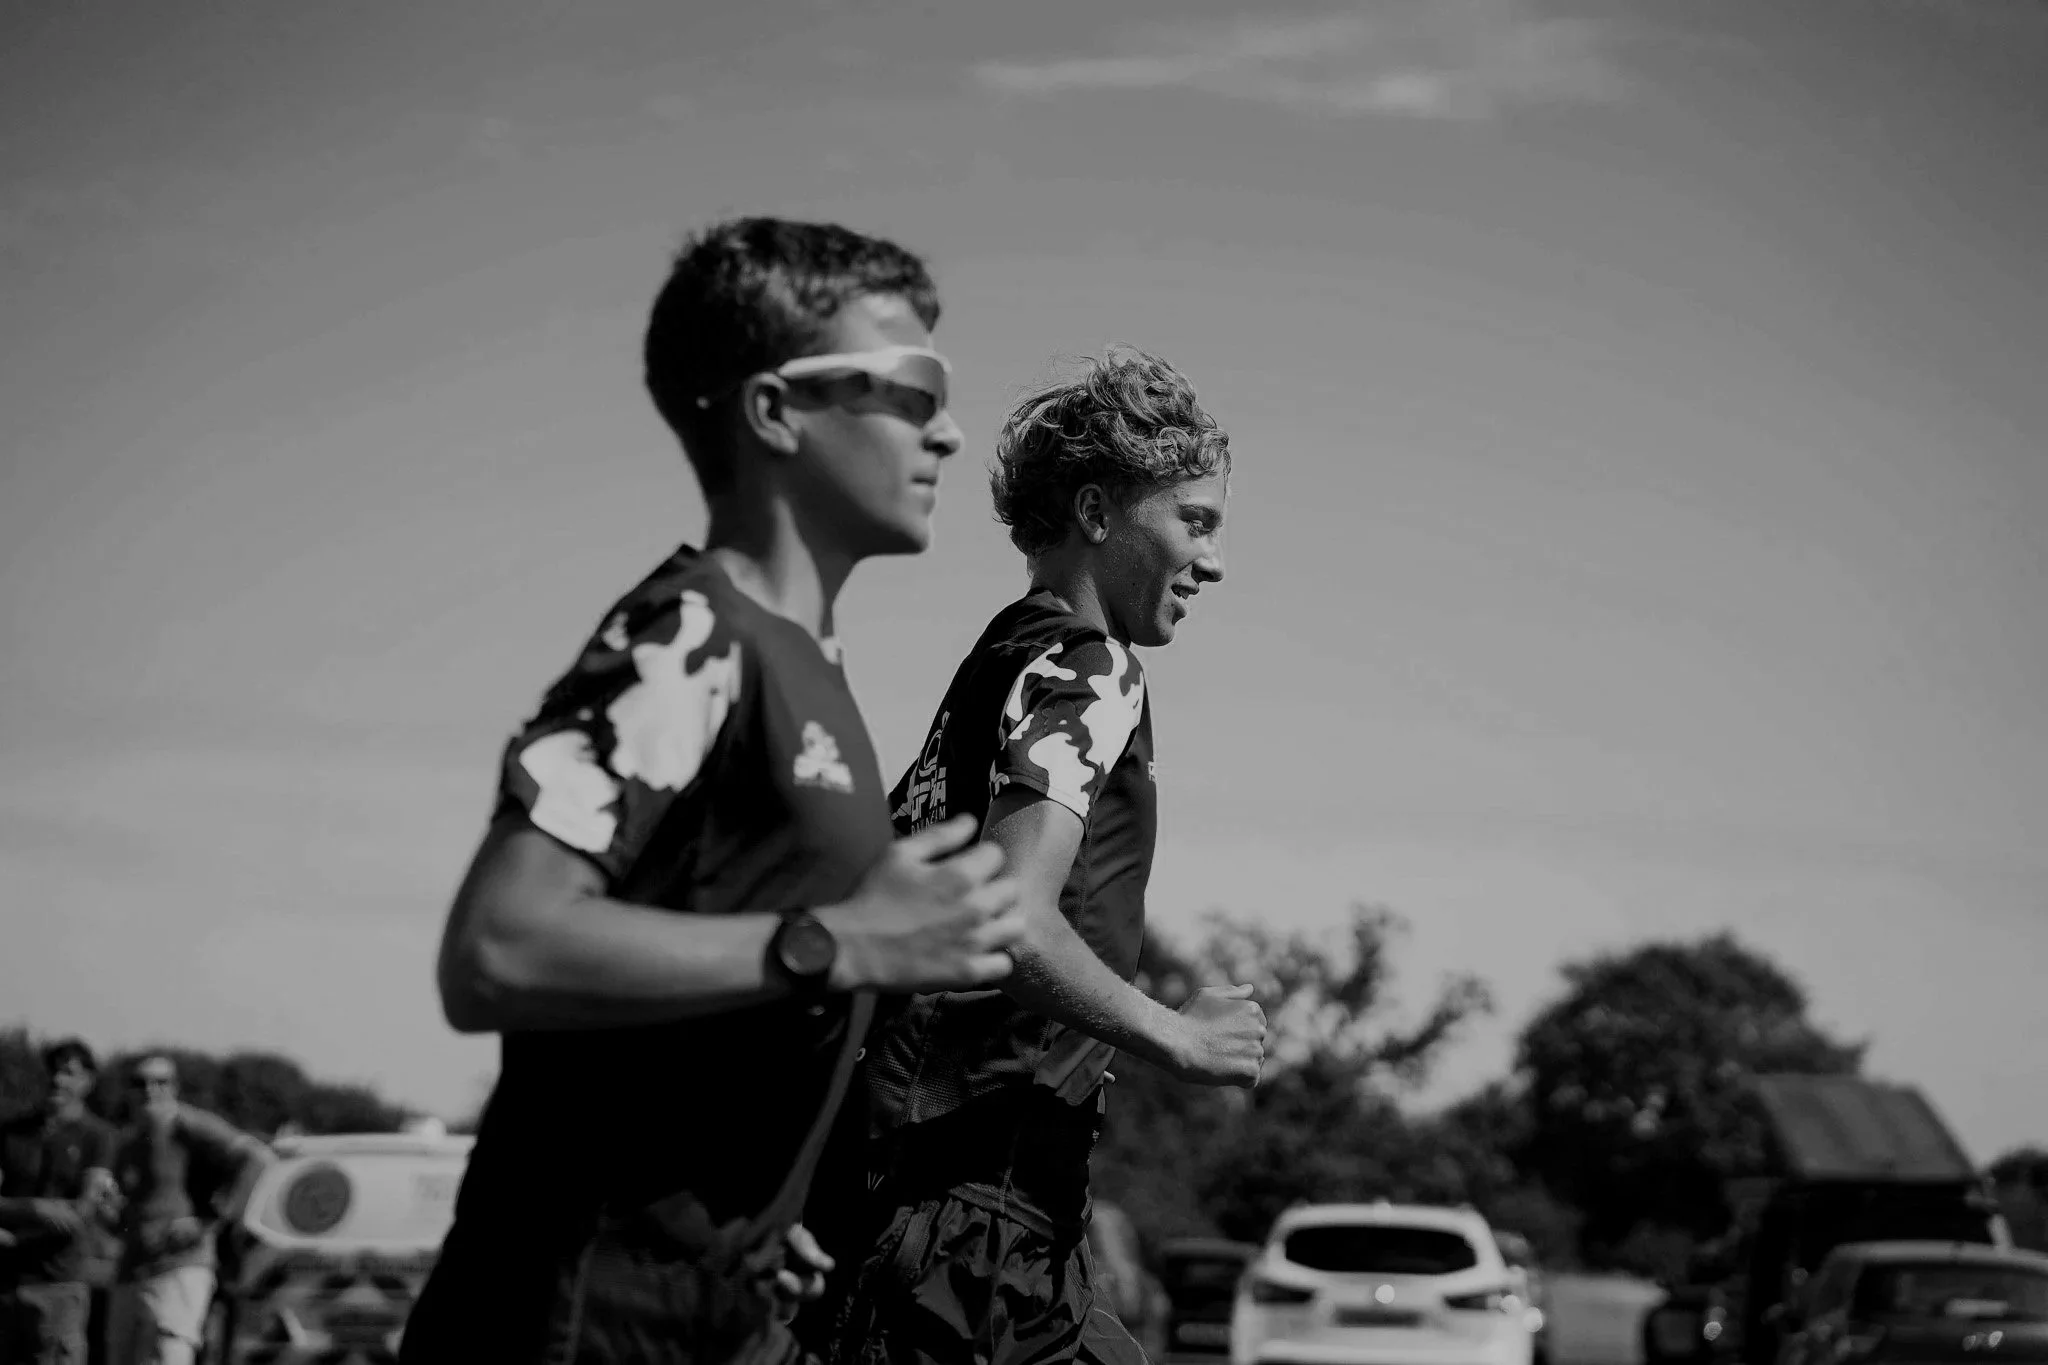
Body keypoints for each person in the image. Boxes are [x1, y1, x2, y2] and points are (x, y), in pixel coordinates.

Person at [399, 216, 1028, 1365]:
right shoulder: (690, 635)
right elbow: (495, 946)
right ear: (774, 411)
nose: (946, 429)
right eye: (910, 390)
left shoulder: (805, 663)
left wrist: (750, 1211)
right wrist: (838, 942)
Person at [833, 348, 1269, 1365]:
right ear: (1096, 511)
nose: (1212, 562)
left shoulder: (994, 663)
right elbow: (1013, 923)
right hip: (973, 1228)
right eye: (1193, 521)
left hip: (938, 1205)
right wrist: (1179, 1037)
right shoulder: (1091, 667)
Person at [107, 1055, 269, 1365]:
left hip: (179, 1266)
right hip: (132, 1269)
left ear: (175, 1088)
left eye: (160, 1082)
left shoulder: (189, 1125)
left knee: (169, 1355)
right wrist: (113, 1216)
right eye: (140, 1083)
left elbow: (256, 1159)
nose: (150, 1091)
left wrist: (210, 1219)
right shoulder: (128, 1140)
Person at [0, 1038, 120, 1365]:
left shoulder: (99, 1137)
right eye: (53, 1071)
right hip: (6, 1282)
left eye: (69, 1073)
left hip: (59, 1285)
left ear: (88, 1082)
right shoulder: (10, 1132)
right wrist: (39, 1209)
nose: (57, 1079)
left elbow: (81, 1214)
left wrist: (15, 1228)